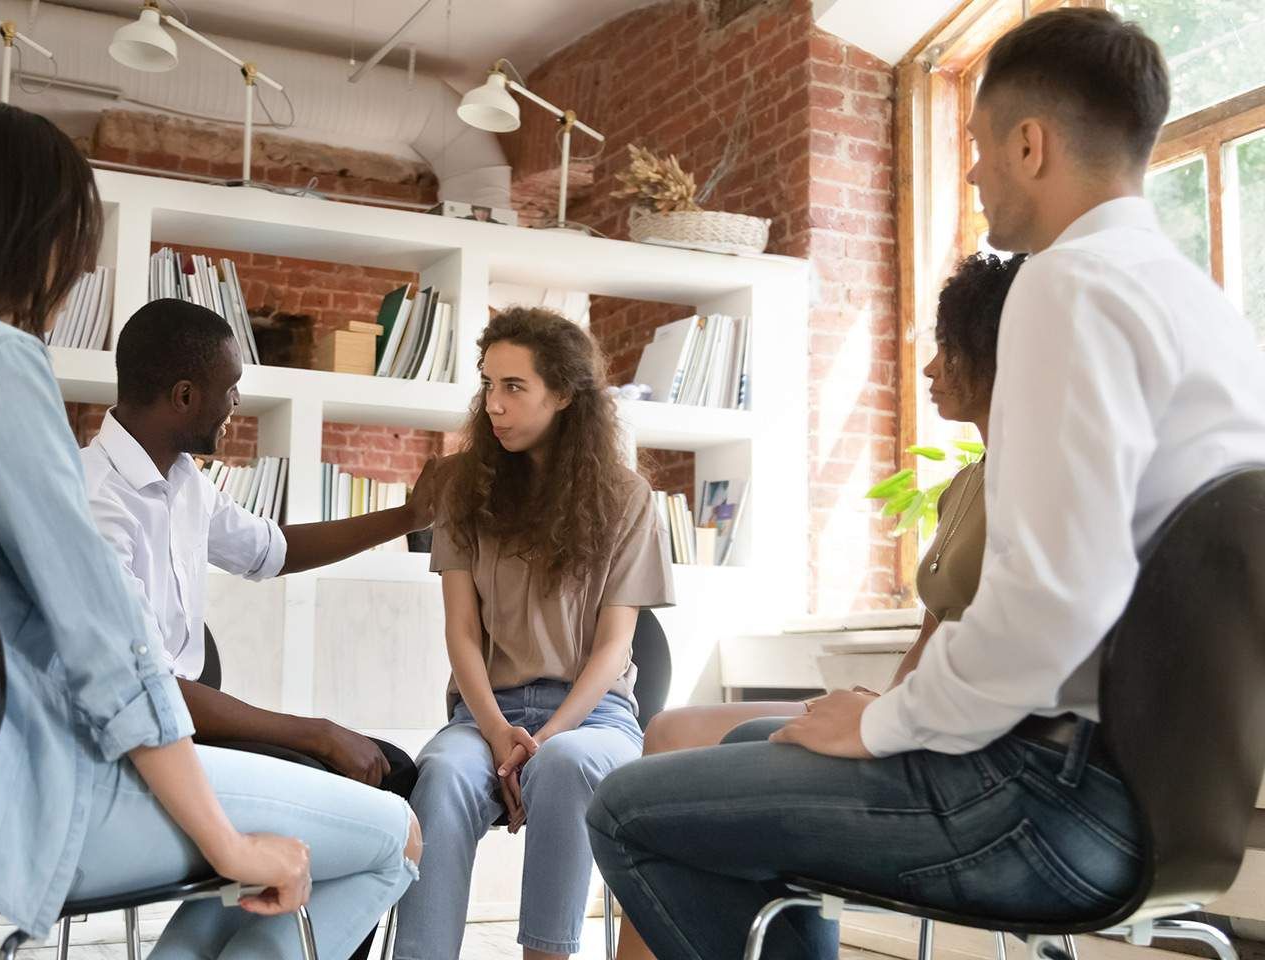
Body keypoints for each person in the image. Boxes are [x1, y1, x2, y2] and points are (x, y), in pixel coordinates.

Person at [588, 9, 1265, 960]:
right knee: (750, 754)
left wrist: (884, 723)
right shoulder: (1205, 310)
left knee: (625, 806)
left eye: (982, 147)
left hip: (1053, 805)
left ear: (1030, 145)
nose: (978, 171)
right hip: (1173, 805)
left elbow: (1052, 603)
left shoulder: (1064, 284)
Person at [0, 100, 419, 960]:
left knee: (276, 859)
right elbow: (106, 643)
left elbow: (262, 552)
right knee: (392, 835)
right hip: (31, 800)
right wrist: (228, 843)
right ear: (29, 232)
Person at [609, 250, 1025, 960]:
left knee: (673, 783)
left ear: (993, 355)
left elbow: (1000, 658)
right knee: (674, 731)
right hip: (907, 717)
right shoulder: (965, 486)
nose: (928, 370)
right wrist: (879, 704)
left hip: (946, 752)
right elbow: (930, 643)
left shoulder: (1035, 487)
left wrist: (884, 720)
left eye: (947, 350)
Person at [392, 307, 674, 960]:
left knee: (566, 765)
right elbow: (461, 633)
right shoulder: (466, 493)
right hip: (484, 714)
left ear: (565, 394)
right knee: (439, 773)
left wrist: (543, 740)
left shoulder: (626, 498)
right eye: (487, 384)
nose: (493, 404)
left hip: (593, 719)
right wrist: (496, 732)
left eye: (513, 387)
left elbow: (614, 649)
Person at [82, 298, 431, 800]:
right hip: (138, 745)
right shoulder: (96, 503)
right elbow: (147, 690)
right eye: (230, 390)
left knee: (391, 768)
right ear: (184, 396)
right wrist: (319, 732)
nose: (236, 403)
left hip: (183, 725)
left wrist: (408, 517)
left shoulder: (183, 480)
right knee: (369, 783)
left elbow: (273, 549)